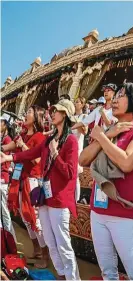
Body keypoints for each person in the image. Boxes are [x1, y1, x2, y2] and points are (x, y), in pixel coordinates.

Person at [79, 82, 133, 280]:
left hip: (125, 214)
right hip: (98, 210)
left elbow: (127, 163)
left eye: (122, 95)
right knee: (107, 271)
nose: (116, 99)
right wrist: (108, 134)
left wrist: (102, 137)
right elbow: (83, 159)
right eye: (116, 94)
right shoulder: (110, 129)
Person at [1, 99, 80, 280]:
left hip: (59, 200)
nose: (52, 114)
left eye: (57, 111)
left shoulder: (71, 141)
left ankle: (73, 278)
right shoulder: (50, 139)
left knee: (63, 244)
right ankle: (61, 276)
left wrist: (54, 153)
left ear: (66, 115)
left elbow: (69, 172)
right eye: (52, 111)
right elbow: (30, 154)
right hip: (45, 198)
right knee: (51, 243)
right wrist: (9, 158)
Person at [2, 106, 49, 268]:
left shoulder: (40, 137)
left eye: (29, 112)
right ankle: (36, 249)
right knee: (25, 218)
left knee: (35, 219)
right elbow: (7, 149)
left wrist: (22, 146)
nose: (26, 114)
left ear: (37, 116)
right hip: (20, 179)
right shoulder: (21, 135)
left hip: (33, 181)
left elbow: (37, 161)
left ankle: (45, 255)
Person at [0, 115, 17, 257]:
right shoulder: (4, 139)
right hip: (2, 179)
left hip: (3, 179)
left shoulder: (7, 140)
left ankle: (11, 245)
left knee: (5, 214)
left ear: (5, 124)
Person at [73, 97, 88, 202]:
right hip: (69, 147)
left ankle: (76, 200)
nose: (75, 103)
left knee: (76, 177)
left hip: (78, 147)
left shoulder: (84, 116)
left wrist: (77, 123)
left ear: (82, 104)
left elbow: (85, 131)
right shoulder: (71, 116)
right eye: (75, 102)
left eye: (77, 102)